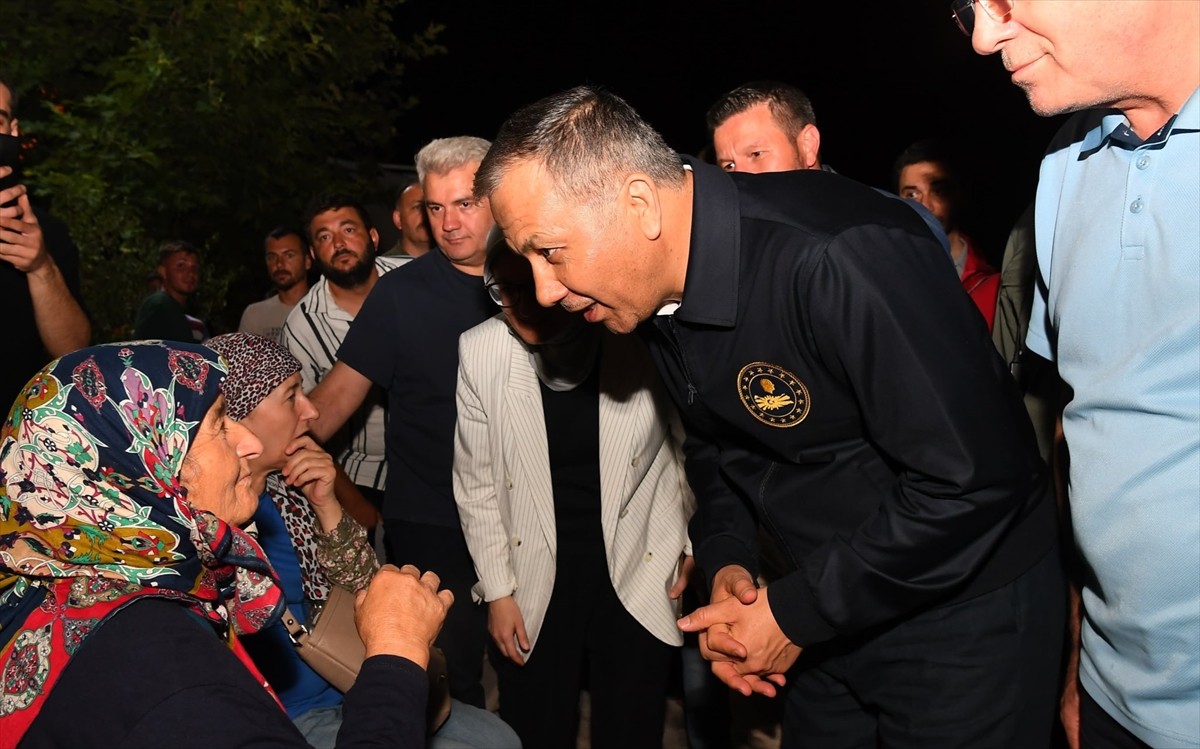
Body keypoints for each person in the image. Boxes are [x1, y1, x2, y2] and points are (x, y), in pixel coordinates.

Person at [476, 86, 1063, 748]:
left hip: (963, 621)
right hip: (822, 615)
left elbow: (974, 482)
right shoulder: (648, 292)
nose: (545, 289)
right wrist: (731, 566)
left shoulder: (840, 256)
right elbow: (716, 444)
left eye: (549, 251)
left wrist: (794, 611)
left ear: (639, 205)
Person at [0, 341, 452, 749]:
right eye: (219, 422)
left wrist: (328, 504)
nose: (248, 441)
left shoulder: (63, 582)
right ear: (149, 463)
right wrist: (397, 650)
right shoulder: (163, 669)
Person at [962, 1, 1200, 747]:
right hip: (1111, 695)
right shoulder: (1064, 168)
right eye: (967, 9)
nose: (981, 35)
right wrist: (1077, 659)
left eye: (1002, 1)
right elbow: (1079, 428)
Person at [206, 333, 521, 749]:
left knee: (500, 738)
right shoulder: (206, 515)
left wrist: (326, 504)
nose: (311, 409)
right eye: (291, 396)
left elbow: (368, 588)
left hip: (351, 674)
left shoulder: (290, 488)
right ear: (238, 413)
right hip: (287, 713)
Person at [453, 231, 694, 748]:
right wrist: (497, 590)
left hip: (640, 563)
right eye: (504, 290)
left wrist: (696, 542)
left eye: (531, 286)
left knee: (631, 728)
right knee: (536, 725)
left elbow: (691, 446)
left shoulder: (634, 333)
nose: (521, 304)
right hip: (535, 572)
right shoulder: (480, 351)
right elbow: (475, 484)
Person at [306, 136, 496, 707]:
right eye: (435, 208)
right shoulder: (399, 295)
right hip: (431, 516)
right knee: (450, 674)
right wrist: (257, 427)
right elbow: (336, 399)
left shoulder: (535, 282)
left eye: (464, 204)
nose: (448, 223)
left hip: (523, 513)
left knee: (531, 663)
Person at [282, 193, 407, 521]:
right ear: (313, 254)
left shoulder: (413, 281)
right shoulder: (302, 327)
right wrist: (358, 509)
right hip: (362, 479)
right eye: (324, 237)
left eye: (348, 230)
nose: (338, 243)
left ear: (374, 237)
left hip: (441, 467)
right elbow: (299, 430)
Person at [0, 73, 91, 406]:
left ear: (13, 131)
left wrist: (41, 267)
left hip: (18, 441)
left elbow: (74, 351)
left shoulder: (48, 233)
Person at [894, 138, 1000, 332]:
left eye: (938, 190)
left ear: (958, 194)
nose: (925, 205)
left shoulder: (993, 287)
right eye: (912, 195)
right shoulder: (888, 277)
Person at [239, 226, 312, 342]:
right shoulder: (254, 314)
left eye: (289, 255)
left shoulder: (326, 310)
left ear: (307, 261)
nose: (279, 264)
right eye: (272, 257)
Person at [133, 240, 208, 342]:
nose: (190, 274)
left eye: (194, 268)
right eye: (181, 266)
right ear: (163, 271)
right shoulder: (160, 304)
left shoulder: (190, 321)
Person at [384, 179, 432, 259]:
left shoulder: (455, 264)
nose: (427, 214)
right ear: (398, 219)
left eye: (434, 207)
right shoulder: (384, 268)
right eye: (418, 207)